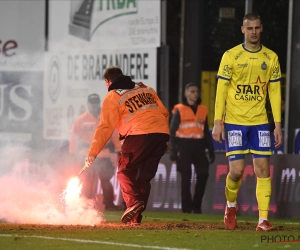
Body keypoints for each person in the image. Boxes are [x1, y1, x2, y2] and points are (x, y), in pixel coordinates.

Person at [212, 13, 282, 231]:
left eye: (256, 28)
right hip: (234, 121)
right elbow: (221, 90)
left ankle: (262, 220)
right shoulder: (231, 56)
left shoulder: (271, 58)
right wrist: (217, 122)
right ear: (242, 30)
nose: (253, 32)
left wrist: (277, 124)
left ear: (261, 29)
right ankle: (231, 205)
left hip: (260, 122)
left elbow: (275, 92)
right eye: (249, 28)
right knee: (237, 171)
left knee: (263, 168)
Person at [84, 66, 170, 225]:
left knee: (124, 171)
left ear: (107, 81)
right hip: (161, 134)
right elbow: (164, 112)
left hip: (139, 134)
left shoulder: (112, 96)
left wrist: (92, 152)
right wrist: (164, 137)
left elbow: (105, 127)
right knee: (143, 177)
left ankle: (134, 202)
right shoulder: (146, 89)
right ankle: (135, 219)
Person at [69, 93, 122, 211]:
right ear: (88, 105)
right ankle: (87, 205)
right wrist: (72, 153)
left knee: (106, 180)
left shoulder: (107, 118)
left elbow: (115, 135)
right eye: (92, 103)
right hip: (87, 155)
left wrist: (119, 150)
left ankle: (109, 204)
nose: (94, 105)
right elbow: (74, 137)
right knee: (87, 182)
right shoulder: (81, 120)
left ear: (99, 104)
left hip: (104, 154)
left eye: (96, 103)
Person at [169, 83, 215, 214]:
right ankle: (187, 208)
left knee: (203, 174)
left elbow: (205, 131)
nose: (196, 94)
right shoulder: (179, 109)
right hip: (183, 145)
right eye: (192, 91)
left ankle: (196, 205)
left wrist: (211, 149)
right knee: (186, 176)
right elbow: (172, 130)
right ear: (186, 94)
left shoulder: (203, 109)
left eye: (197, 91)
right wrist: (172, 149)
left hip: (198, 146)